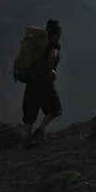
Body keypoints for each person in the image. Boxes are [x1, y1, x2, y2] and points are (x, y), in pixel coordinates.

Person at [22, 19, 63, 147]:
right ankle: (39, 131)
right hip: (44, 82)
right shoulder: (54, 45)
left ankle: (27, 140)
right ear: (56, 34)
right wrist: (51, 71)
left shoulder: (39, 43)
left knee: (30, 111)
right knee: (55, 109)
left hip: (32, 80)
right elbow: (52, 55)